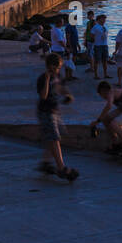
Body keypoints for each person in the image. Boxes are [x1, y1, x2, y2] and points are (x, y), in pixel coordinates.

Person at [36, 53, 78, 181]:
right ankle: (61, 167)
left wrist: (68, 95)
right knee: (54, 138)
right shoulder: (42, 79)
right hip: (45, 112)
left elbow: (61, 88)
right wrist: (47, 80)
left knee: (54, 137)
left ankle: (46, 162)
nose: (59, 69)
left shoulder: (58, 76)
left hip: (55, 111)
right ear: (51, 66)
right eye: (58, 67)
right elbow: (43, 96)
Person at [89, 14, 110, 79]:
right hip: (98, 45)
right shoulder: (95, 27)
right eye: (102, 19)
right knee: (97, 60)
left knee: (105, 60)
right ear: (99, 19)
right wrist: (95, 40)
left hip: (105, 45)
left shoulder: (105, 27)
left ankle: (105, 74)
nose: (104, 20)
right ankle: (96, 75)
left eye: (104, 19)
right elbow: (91, 35)